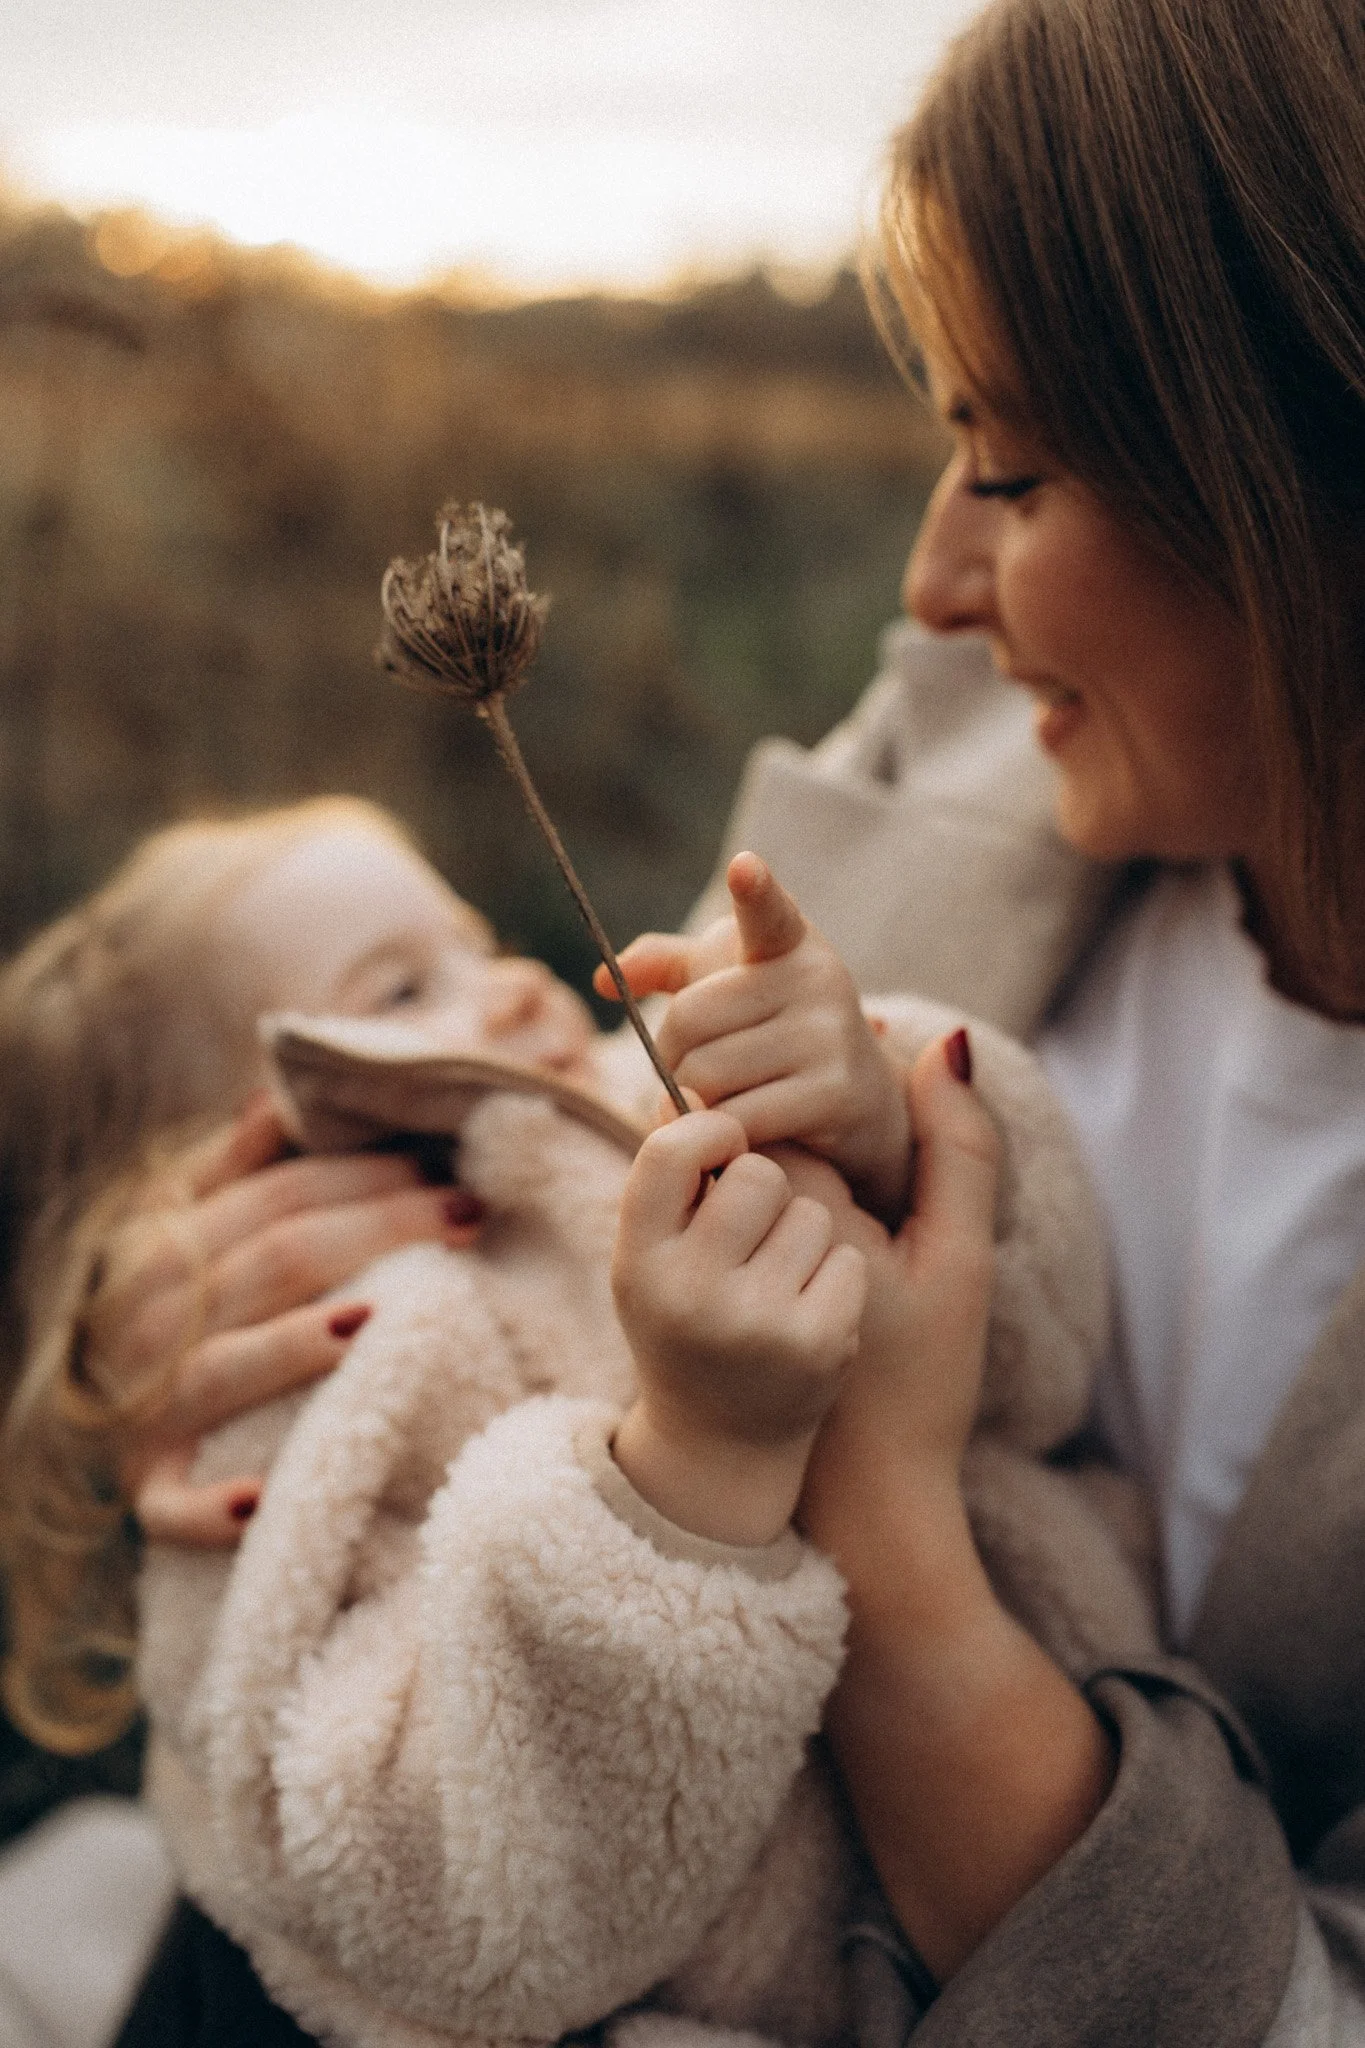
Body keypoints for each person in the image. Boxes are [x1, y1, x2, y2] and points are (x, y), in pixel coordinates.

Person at [97, 0, 1365, 2033]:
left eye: (1012, 467)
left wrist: (863, 1506)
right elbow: (582, 1172)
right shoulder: (976, 733)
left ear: (1298, 458)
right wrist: (206, 1299)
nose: (932, 587)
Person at [0, 793, 1147, 2047]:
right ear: (222, 1174)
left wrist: (886, 1126)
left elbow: (1051, 1361)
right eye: (399, 992)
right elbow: (432, 1893)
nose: (507, 989)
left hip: (1101, 1826)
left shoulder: (637, 1104)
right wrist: (690, 1477)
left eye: (474, 940)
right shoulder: (301, 1391)